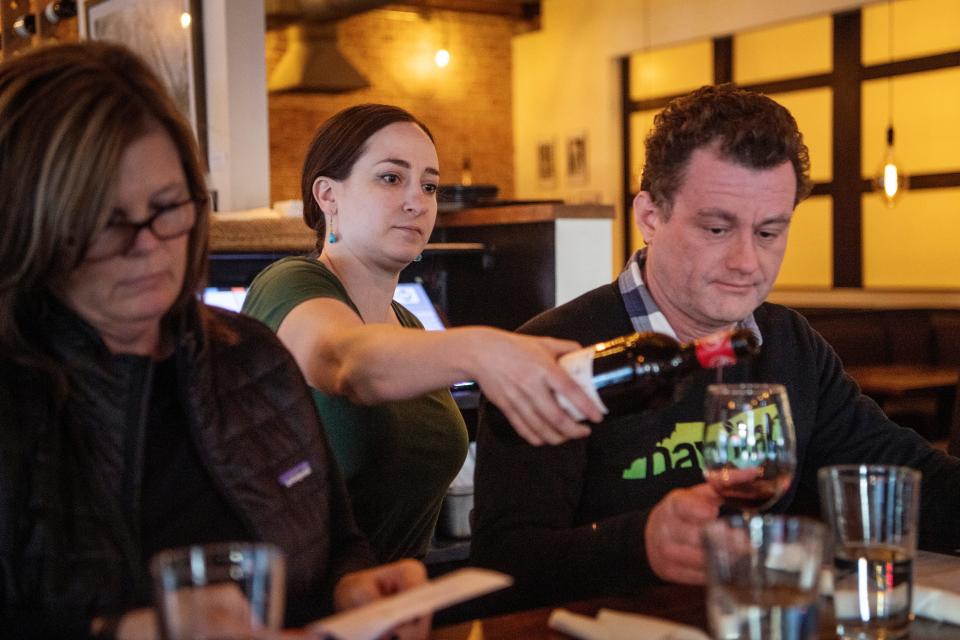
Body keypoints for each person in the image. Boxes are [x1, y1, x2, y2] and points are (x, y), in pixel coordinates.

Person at [471, 83, 960, 608]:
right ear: (651, 216)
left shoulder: (788, 343)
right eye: (717, 228)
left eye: (769, 233)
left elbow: (906, 480)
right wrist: (639, 546)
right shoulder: (556, 353)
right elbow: (505, 566)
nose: (747, 262)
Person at [0, 43, 428, 640]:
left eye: (167, 207)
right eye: (106, 218)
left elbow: (335, 542)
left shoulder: (250, 358)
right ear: (26, 222)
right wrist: (134, 630)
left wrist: (349, 589)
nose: (148, 244)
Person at [241, 104, 603, 562]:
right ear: (327, 195)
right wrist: (481, 349)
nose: (418, 201)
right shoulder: (288, 284)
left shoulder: (408, 324)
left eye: (429, 185)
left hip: (397, 607)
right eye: (391, 178)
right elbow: (346, 361)